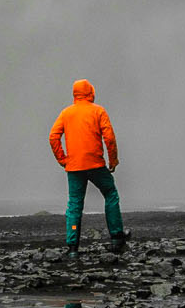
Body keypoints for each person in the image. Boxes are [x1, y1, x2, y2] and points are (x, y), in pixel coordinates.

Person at [49, 78, 128, 256]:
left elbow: (53, 137)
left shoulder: (66, 113)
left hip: (74, 167)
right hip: (95, 164)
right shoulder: (98, 111)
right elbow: (109, 138)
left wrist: (63, 160)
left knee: (75, 205)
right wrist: (113, 160)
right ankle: (117, 237)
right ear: (91, 92)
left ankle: (73, 248)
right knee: (110, 194)